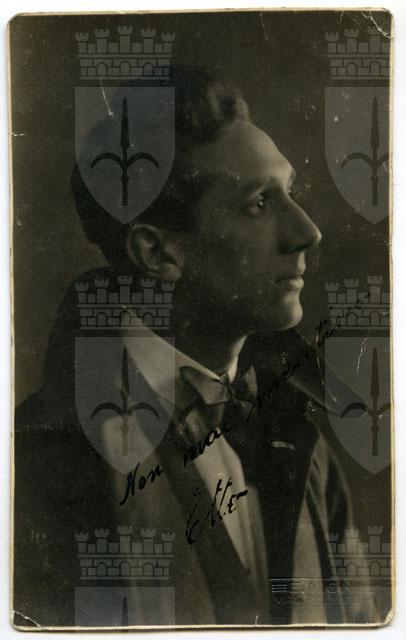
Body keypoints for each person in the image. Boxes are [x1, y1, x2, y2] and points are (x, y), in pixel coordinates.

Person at [14, 66, 373, 628]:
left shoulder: (299, 435)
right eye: (260, 202)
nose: (307, 232)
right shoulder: (44, 464)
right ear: (158, 253)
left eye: (291, 192)